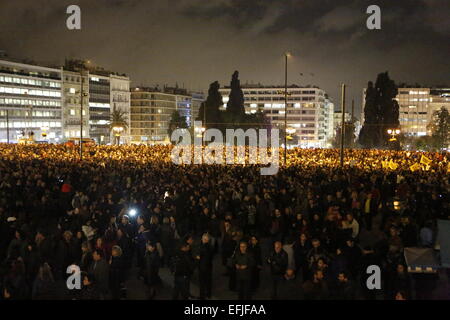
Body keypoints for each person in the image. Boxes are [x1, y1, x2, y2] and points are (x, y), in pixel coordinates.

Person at [196, 233, 214, 299]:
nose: (202, 239)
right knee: (208, 281)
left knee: (202, 282)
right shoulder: (211, 247)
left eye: (203, 238)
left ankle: (202, 296)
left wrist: (198, 257)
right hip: (209, 266)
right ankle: (208, 294)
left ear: (205, 239)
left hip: (202, 267)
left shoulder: (202, 247)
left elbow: (199, 256)